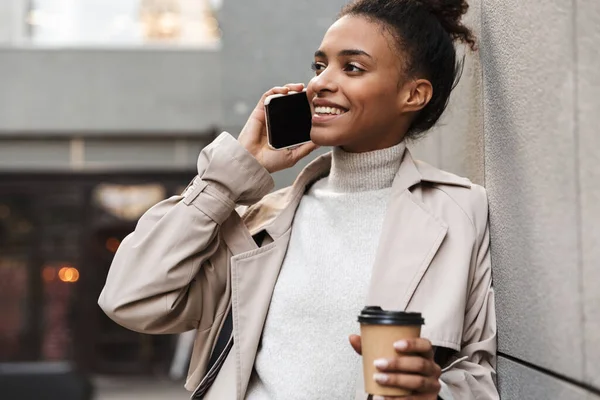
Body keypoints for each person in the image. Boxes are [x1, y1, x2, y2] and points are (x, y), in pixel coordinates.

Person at [98, 0, 498, 399]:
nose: (319, 83)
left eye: (352, 67)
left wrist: (431, 392)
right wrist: (228, 177)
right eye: (319, 66)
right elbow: (132, 298)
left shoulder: (460, 212)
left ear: (413, 95)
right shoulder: (261, 222)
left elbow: (478, 375)